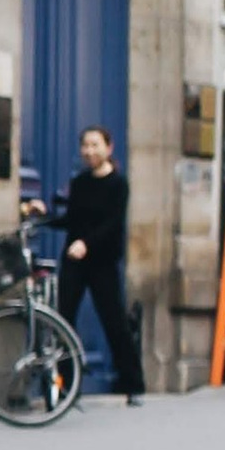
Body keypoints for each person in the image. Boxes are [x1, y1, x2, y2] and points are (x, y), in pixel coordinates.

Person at [50, 125, 145, 402]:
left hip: (101, 261)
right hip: (74, 262)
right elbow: (72, 220)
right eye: (85, 146)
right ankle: (66, 386)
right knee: (63, 320)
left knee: (114, 321)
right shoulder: (80, 183)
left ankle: (132, 384)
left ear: (108, 148)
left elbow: (112, 223)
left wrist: (86, 244)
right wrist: (44, 218)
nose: (89, 151)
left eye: (95, 145)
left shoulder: (118, 183)